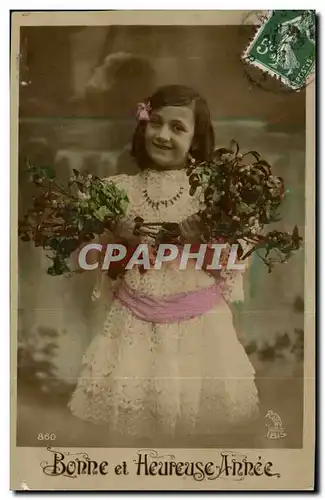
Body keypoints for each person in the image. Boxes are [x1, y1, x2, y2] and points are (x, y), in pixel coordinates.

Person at [68, 84, 259, 442]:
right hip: (134, 327)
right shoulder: (118, 190)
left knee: (197, 429)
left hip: (198, 328)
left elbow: (232, 264)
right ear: (143, 125)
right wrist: (121, 238)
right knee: (134, 427)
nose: (163, 135)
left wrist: (199, 240)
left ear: (196, 139)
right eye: (156, 123)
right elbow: (103, 265)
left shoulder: (212, 192)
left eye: (178, 128)